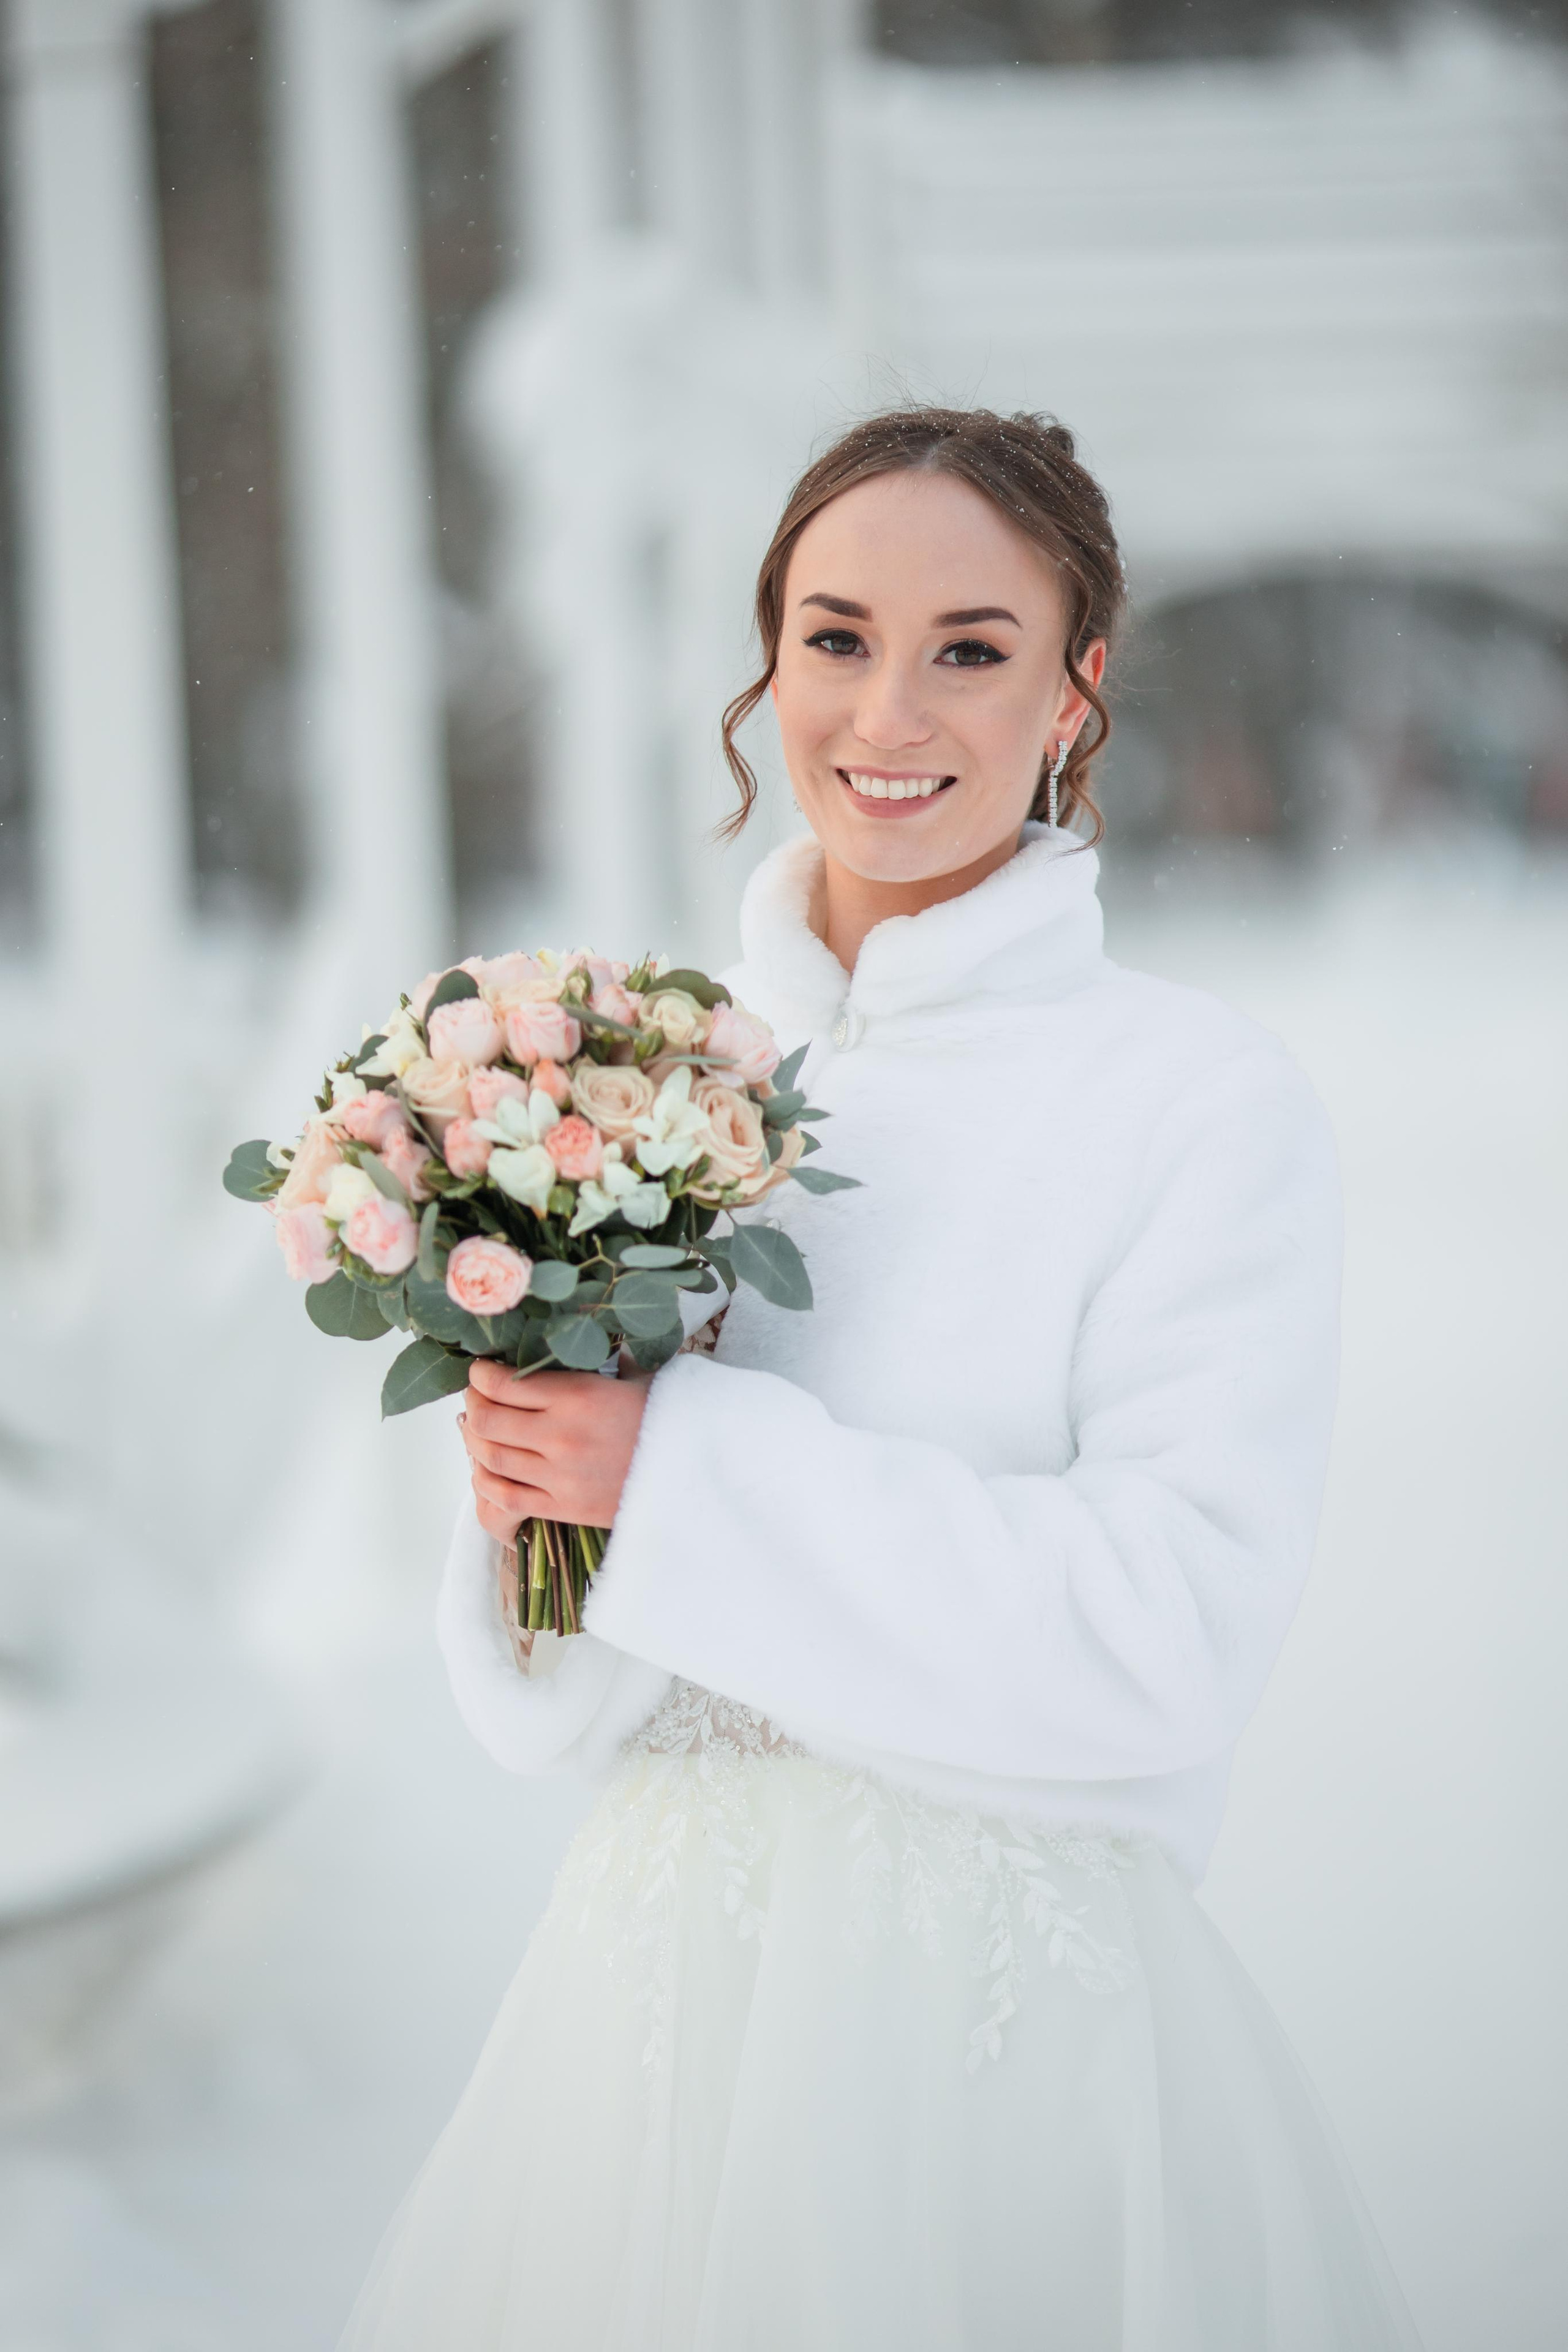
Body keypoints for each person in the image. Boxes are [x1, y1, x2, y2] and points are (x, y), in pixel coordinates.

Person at [338, 408, 1423, 2350]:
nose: (888, 710)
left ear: (1080, 692)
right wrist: (546, 1499)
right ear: (767, 664)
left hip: (1000, 2050)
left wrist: (672, 1479)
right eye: (836, 637)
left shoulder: (1192, 1105)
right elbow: (556, 1695)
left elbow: (1170, 1633)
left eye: (972, 648)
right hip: (648, 2030)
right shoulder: (628, 1089)